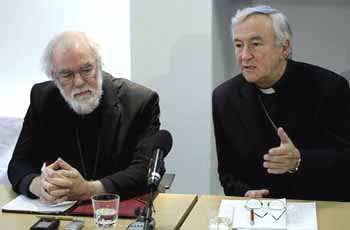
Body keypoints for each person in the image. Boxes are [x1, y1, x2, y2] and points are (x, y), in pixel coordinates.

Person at [212, 5, 350, 201]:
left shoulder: (330, 88)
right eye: (238, 45)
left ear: (284, 48)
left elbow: (346, 159)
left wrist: (300, 160)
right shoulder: (224, 97)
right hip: (257, 214)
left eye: (256, 44)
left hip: (319, 206)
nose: (244, 56)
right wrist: (244, 193)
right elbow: (228, 172)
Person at [8, 31, 161, 203]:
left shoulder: (140, 102)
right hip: (61, 210)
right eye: (67, 74)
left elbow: (143, 170)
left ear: (99, 65)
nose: (79, 82)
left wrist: (90, 190)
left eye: (86, 69)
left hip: (118, 207)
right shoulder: (43, 98)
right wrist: (39, 185)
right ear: (54, 78)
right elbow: (19, 164)